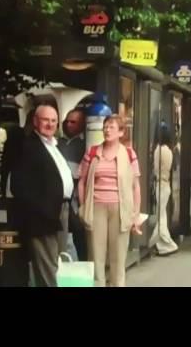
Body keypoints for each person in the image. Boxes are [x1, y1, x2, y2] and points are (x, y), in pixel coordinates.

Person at [11, 104, 74, 287]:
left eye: (53, 120)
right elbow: (19, 186)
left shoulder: (54, 144)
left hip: (61, 211)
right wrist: (42, 210)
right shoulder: (28, 147)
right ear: (36, 121)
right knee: (48, 270)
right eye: (45, 120)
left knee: (57, 264)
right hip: (43, 217)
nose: (50, 124)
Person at [78, 114, 143, 287]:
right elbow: (82, 181)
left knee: (118, 257)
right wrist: (83, 206)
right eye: (105, 126)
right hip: (96, 207)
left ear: (121, 132)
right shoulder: (92, 152)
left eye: (112, 127)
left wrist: (135, 215)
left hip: (120, 210)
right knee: (96, 256)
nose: (107, 130)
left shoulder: (129, 154)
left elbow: (136, 186)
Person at [58, 108, 88, 261]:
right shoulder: (58, 143)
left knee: (78, 231)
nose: (68, 125)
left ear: (82, 124)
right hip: (60, 196)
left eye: (73, 122)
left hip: (76, 197)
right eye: (67, 121)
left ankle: (82, 266)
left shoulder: (86, 144)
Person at [151, 126, 179, 256]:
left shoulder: (158, 150)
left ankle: (167, 244)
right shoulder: (169, 150)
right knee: (162, 216)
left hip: (160, 185)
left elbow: (155, 168)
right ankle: (162, 246)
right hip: (166, 185)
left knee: (160, 217)